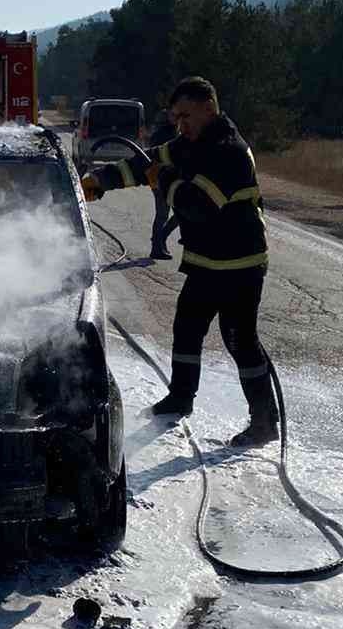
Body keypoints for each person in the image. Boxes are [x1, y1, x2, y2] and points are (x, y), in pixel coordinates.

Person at [81, 75, 277, 447]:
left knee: (240, 341)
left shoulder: (228, 151)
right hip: (205, 261)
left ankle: (265, 422)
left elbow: (196, 205)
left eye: (186, 116)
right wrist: (99, 181)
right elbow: (146, 163)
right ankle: (180, 398)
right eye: (175, 118)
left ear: (209, 108)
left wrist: (164, 179)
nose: (180, 125)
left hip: (240, 265)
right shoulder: (192, 143)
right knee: (187, 328)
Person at [147, 113, 180, 260]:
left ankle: (160, 240)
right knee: (162, 215)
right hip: (160, 180)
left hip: (170, 180)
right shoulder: (164, 134)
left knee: (179, 214)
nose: (178, 119)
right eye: (175, 116)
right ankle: (156, 247)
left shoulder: (176, 132)